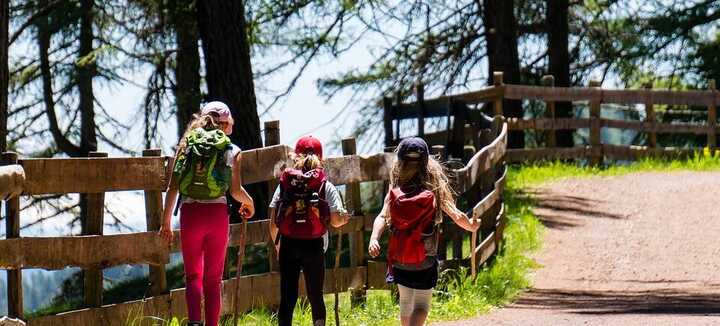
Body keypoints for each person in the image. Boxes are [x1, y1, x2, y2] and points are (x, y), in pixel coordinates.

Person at [158, 101, 255, 326]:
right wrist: (250, 203)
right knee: (213, 280)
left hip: (190, 214)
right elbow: (235, 190)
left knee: (193, 276)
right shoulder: (232, 150)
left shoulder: (187, 145)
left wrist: (165, 222)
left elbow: (173, 186)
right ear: (227, 123)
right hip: (216, 215)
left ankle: (194, 322)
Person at [368, 137, 479, 326]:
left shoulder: (396, 189)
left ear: (400, 162)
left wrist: (374, 238)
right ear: (427, 161)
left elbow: (381, 216)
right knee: (421, 305)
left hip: (400, 258)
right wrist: (471, 225)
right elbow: (455, 214)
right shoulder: (433, 186)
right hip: (425, 258)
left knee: (405, 301)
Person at [268, 136, 350, 326]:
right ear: (321, 158)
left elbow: (273, 222)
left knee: (288, 296)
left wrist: (278, 246)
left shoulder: (286, 183)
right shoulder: (324, 185)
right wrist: (344, 218)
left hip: (288, 243)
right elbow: (336, 220)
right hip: (314, 245)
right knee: (315, 296)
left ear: (295, 157)